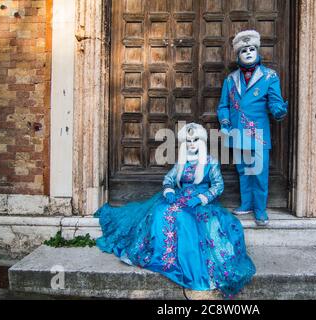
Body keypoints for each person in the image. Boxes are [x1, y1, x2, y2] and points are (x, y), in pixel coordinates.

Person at [94, 123, 256, 299]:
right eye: (189, 141)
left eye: (195, 140)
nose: (192, 143)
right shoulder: (182, 160)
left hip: (200, 202)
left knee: (186, 219)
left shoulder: (210, 161)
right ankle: (154, 254)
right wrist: (169, 191)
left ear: (201, 142)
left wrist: (202, 198)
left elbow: (218, 186)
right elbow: (169, 179)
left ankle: (185, 262)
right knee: (161, 211)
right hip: (180, 197)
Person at [217, 30, 289, 226]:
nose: (248, 52)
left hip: (258, 133)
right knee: (243, 170)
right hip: (237, 131)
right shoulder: (230, 79)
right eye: (243, 50)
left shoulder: (269, 76)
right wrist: (224, 123)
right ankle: (246, 204)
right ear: (238, 55)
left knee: (259, 171)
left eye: (251, 49)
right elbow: (223, 105)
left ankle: (260, 209)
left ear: (257, 52)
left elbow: (275, 102)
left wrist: (279, 111)